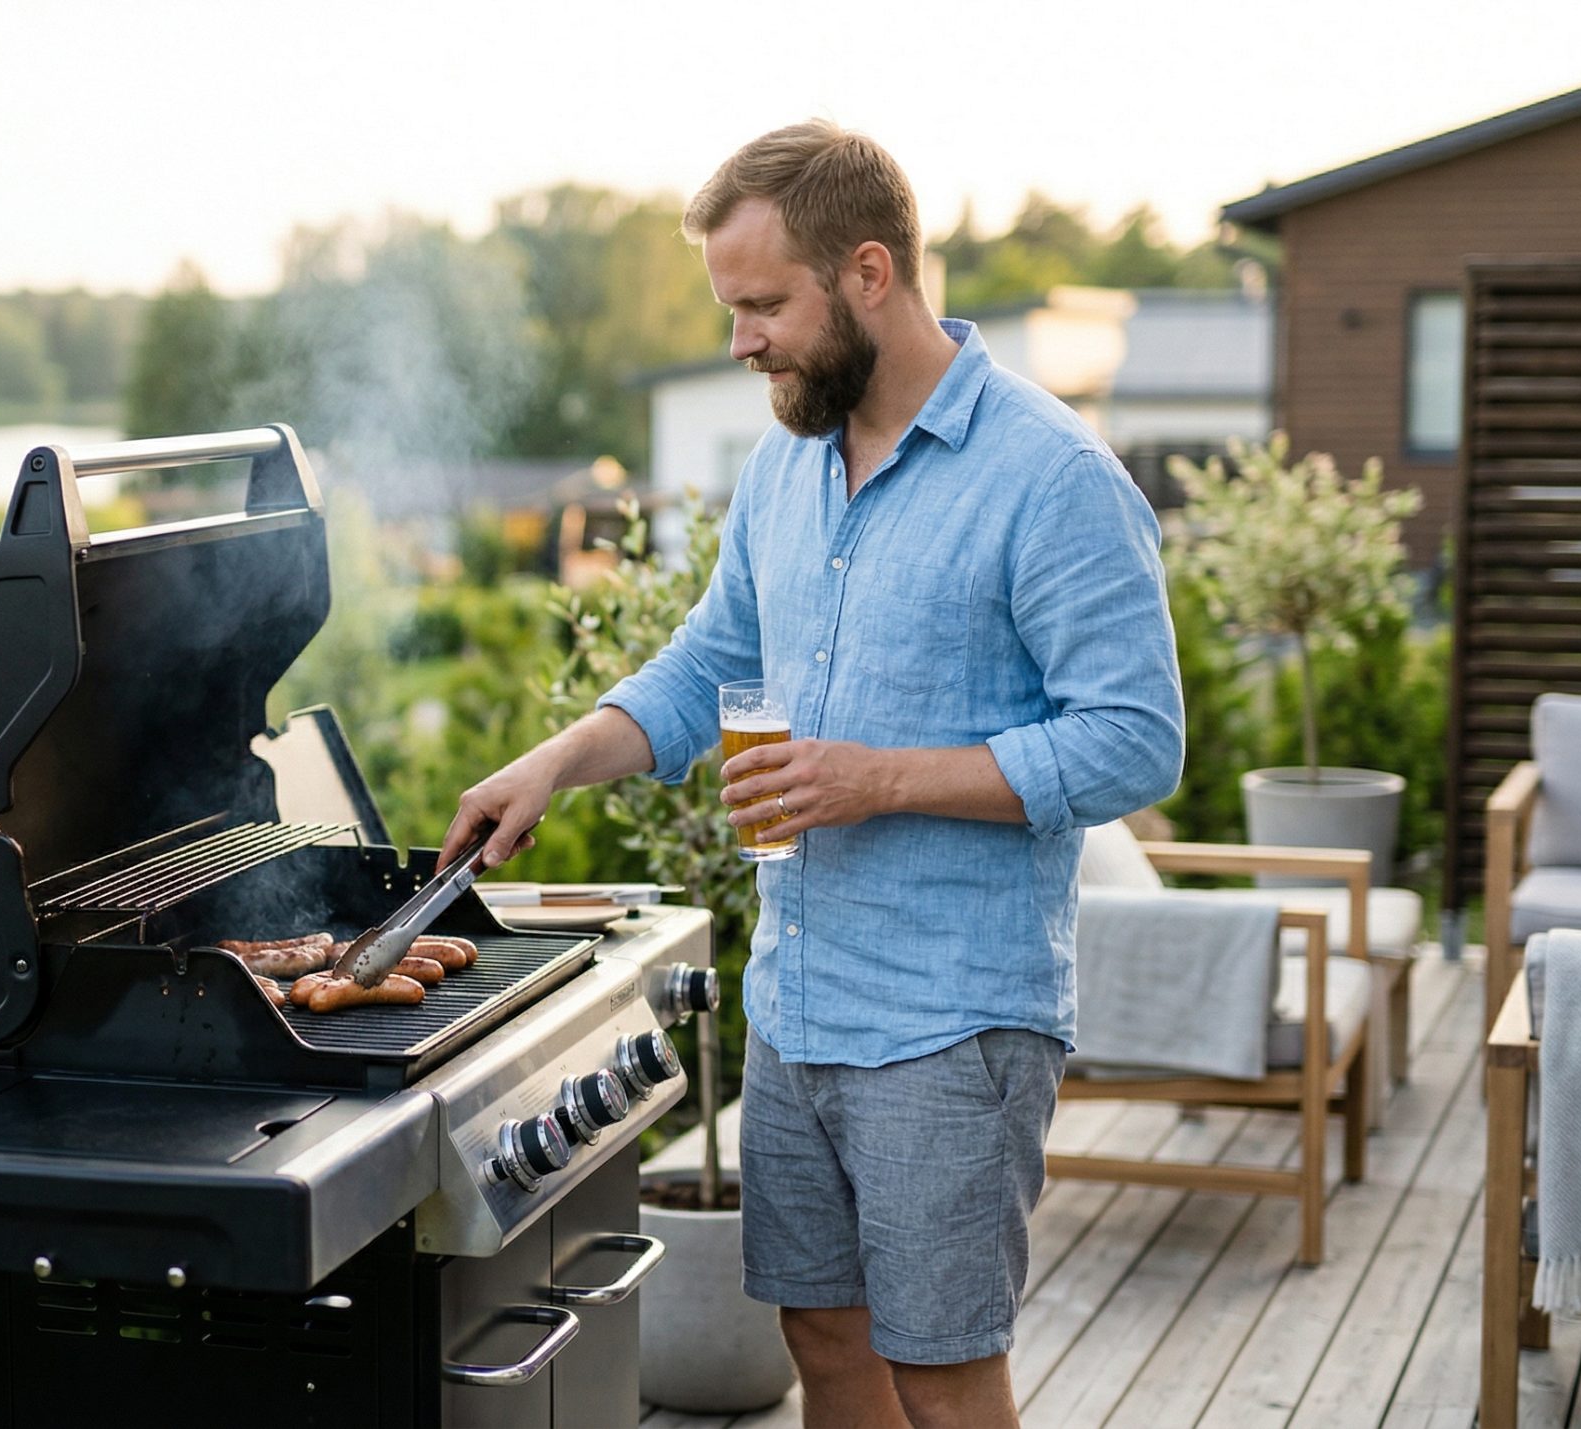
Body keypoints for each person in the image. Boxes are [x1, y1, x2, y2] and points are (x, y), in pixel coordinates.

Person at [440, 120, 1183, 1429]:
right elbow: (704, 662)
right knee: (824, 1342)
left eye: (764, 305)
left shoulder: (1050, 477)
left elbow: (1135, 738)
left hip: (955, 1017)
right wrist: (555, 763)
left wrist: (873, 779)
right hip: (797, 998)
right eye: (729, 309)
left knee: (945, 1377)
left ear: (872, 274)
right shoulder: (786, 465)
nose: (742, 344)